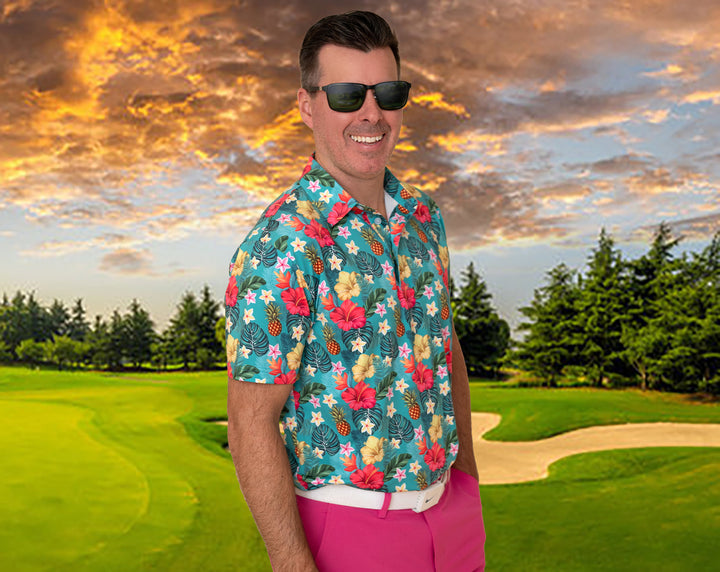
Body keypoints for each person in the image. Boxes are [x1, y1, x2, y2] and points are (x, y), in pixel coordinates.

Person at [226, 10, 485, 571]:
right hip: (349, 530)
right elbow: (250, 422)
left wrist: (466, 479)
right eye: (347, 95)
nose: (372, 113)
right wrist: (292, 562)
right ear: (307, 106)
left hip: (452, 518)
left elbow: (446, 348)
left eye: (388, 92)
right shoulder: (283, 242)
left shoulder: (423, 217)